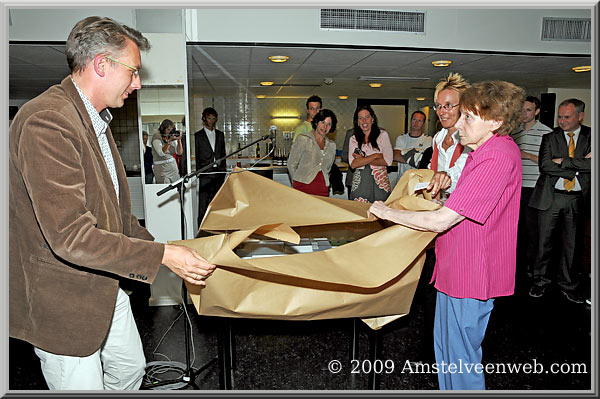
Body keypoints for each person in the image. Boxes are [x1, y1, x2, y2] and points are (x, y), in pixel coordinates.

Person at [8, 16, 216, 390]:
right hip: (64, 297)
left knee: (129, 370)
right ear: (101, 65)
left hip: (104, 284)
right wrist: (165, 256)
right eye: (133, 72)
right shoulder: (48, 121)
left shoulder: (95, 122)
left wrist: (171, 249)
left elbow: (118, 217)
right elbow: (70, 236)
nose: (137, 82)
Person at [369, 81, 525, 390]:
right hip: (456, 267)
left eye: (468, 117)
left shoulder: (497, 156)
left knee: (461, 358)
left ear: (494, 122)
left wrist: (387, 212)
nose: (459, 124)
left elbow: (444, 220)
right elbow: (457, 207)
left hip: (472, 271)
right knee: (447, 353)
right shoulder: (483, 152)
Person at [528, 98, 591, 304]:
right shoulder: (550, 137)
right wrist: (580, 166)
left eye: (567, 117)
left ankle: (568, 285)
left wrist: (564, 161)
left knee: (572, 246)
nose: (562, 121)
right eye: (560, 117)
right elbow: (546, 166)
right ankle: (540, 282)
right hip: (551, 197)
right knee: (543, 244)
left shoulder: (591, 136)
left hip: (576, 200)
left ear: (580, 116)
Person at [510, 96, 552, 277]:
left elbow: (548, 163)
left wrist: (526, 155)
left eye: (528, 110)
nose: (524, 114)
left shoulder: (546, 133)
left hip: (534, 186)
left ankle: (532, 267)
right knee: (515, 228)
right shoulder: (514, 132)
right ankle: (515, 264)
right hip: (515, 186)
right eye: (521, 110)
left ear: (536, 111)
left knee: (532, 229)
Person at [427, 73, 472, 198]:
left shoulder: (471, 139)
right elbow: (433, 168)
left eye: (448, 106)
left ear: (463, 107)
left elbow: (461, 174)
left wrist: (445, 178)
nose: (442, 112)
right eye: (439, 106)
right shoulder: (437, 138)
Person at [348, 105, 393, 203]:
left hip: (380, 184)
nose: (364, 121)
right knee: (360, 214)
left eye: (367, 117)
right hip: (360, 185)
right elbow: (353, 164)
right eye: (360, 118)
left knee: (380, 215)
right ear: (357, 122)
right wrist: (376, 156)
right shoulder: (353, 139)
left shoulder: (383, 135)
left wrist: (362, 160)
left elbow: (388, 161)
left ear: (372, 119)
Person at [287, 109, 338, 197]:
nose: (325, 127)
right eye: (323, 122)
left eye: (328, 124)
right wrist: (296, 182)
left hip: (323, 189)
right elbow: (291, 164)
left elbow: (328, 168)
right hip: (302, 187)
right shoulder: (303, 139)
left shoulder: (332, 146)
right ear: (316, 122)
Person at [194, 107, 226, 226]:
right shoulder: (198, 136)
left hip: (218, 172)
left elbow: (223, 153)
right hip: (205, 173)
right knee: (203, 203)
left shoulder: (220, 134)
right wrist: (198, 173)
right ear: (204, 119)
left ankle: (217, 227)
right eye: (209, 118)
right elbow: (197, 155)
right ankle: (201, 229)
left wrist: (223, 170)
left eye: (213, 118)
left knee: (218, 203)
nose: (211, 121)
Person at [393, 110, 432, 180]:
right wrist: (416, 159)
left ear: (423, 123)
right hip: (402, 180)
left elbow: (426, 160)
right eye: (414, 119)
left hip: (419, 180)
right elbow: (396, 156)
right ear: (410, 121)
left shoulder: (428, 140)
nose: (416, 123)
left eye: (419, 121)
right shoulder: (401, 138)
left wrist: (406, 155)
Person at [151, 118, 183, 183]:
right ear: (163, 129)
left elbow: (179, 152)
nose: (170, 132)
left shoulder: (171, 136)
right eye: (168, 129)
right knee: (165, 188)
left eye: (171, 130)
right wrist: (169, 141)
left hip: (172, 166)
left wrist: (179, 140)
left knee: (176, 187)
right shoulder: (157, 136)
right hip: (161, 168)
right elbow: (161, 153)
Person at [341, 127, 355, 199]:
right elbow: (344, 155)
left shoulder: (380, 133)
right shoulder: (351, 133)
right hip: (353, 177)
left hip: (374, 180)